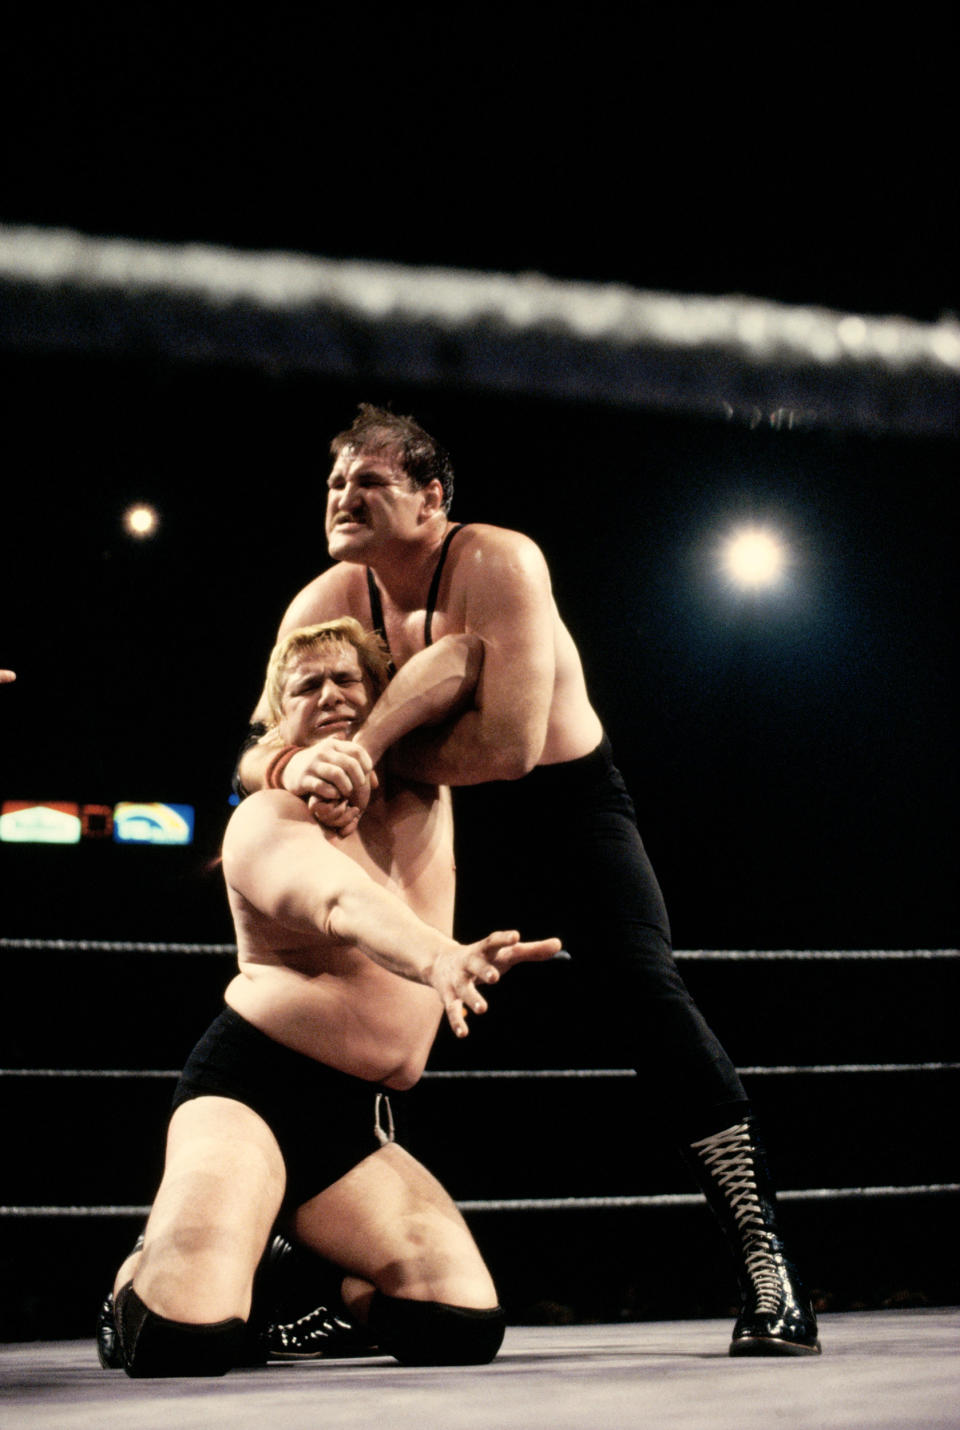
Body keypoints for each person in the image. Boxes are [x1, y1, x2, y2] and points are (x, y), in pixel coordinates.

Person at [236, 404, 821, 1357]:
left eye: (368, 481)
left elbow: (507, 749)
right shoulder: (321, 601)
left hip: (560, 809)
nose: (343, 495)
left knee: (647, 995)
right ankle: (330, 1283)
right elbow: (260, 741)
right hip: (414, 802)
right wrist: (292, 769)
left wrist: (369, 750)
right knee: (359, 1011)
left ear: (431, 497)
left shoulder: (498, 561)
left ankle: (771, 1275)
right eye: (336, 482)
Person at [104, 617, 560, 1377]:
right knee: (189, 1340)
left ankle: (312, 1282)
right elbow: (339, 904)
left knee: (459, 1325)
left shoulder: (422, 791)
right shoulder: (266, 818)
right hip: (248, 1094)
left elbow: (464, 656)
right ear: (277, 718)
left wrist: (371, 743)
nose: (330, 695)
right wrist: (437, 957)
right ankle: (136, 1276)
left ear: (382, 694)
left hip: (348, 1126)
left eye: (347, 678)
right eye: (306, 686)